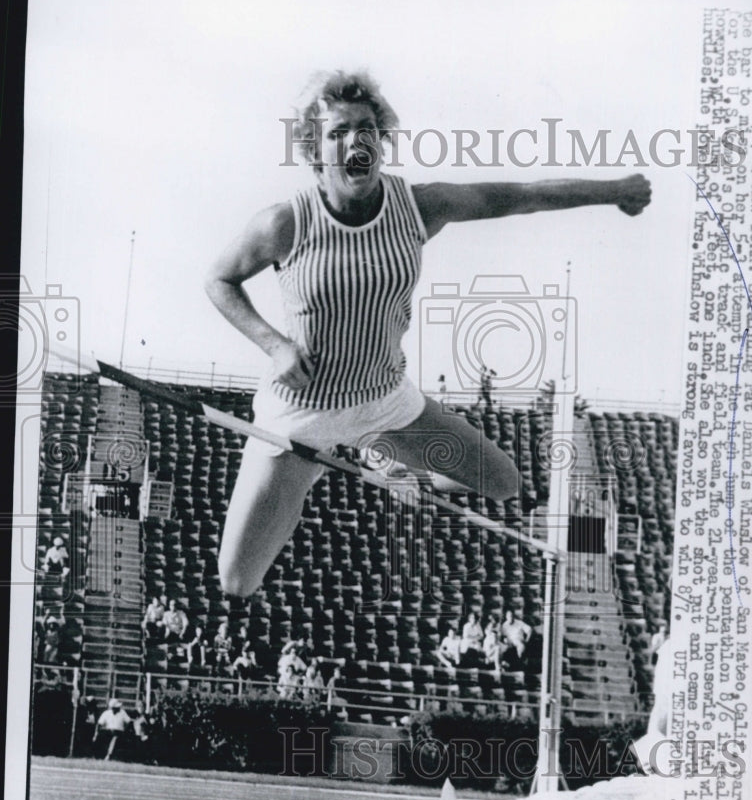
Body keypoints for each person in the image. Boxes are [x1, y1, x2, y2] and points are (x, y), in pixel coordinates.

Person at [205, 70, 650, 599]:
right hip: (302, 417)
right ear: (313, 150)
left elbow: (518, 196)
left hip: (386, 404)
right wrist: (274, 344)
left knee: (503, 483)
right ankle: (319, 475)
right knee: (237, 580)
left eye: (367, 128)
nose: (356, 141)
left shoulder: (417, 207)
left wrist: (614, 192)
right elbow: (219, 279)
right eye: (339, 132)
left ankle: (393, 460)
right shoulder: (285, 224)